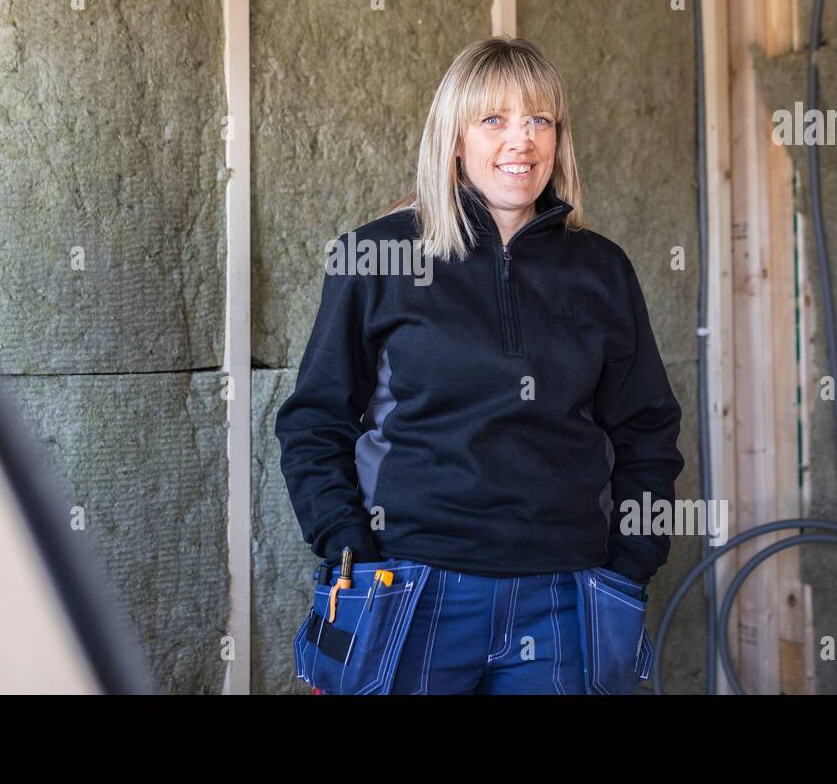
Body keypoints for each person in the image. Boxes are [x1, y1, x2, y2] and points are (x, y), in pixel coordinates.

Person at [276, 36, 685, 694]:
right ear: (455, 138)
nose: (520, 141)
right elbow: (314, 420)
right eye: (493, 120)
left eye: (538, 120)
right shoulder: (375, 256)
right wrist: (346, 544)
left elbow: (646, 429)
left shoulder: (601, 269)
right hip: (407, 587)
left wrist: (630, 564)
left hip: (565, 598)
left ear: (558, 138)